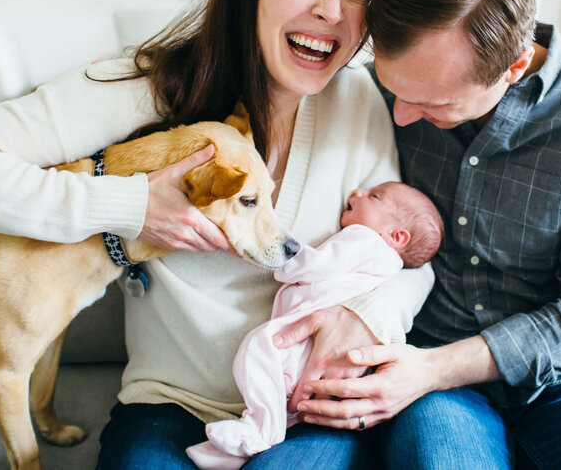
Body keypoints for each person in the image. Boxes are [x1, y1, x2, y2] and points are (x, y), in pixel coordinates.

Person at [0, 0, 435, 468]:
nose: (331, 9)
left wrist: (369, 314)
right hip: (167, 406)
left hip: (303, 412)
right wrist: (129, 203)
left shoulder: (361, 101)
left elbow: (406, 258)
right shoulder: (145, 85)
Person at [274, 0, 561, 468]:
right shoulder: (372, 95)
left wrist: (432, 369)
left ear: (514, 67)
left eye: (433, 103)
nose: (400, 116)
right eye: (393, 88)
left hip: (558, 376)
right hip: (424, 368)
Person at [187, 181, 443, 469]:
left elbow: (321, 264)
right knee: (284, 394)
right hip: (320, 353)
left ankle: (261, 431)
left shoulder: (364, 240)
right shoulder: (389, 265)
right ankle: (236, 449)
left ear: (396, 235)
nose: (358, 192)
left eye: (375, 196)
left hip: (304, 337)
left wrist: (283, 260)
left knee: (258, 348)